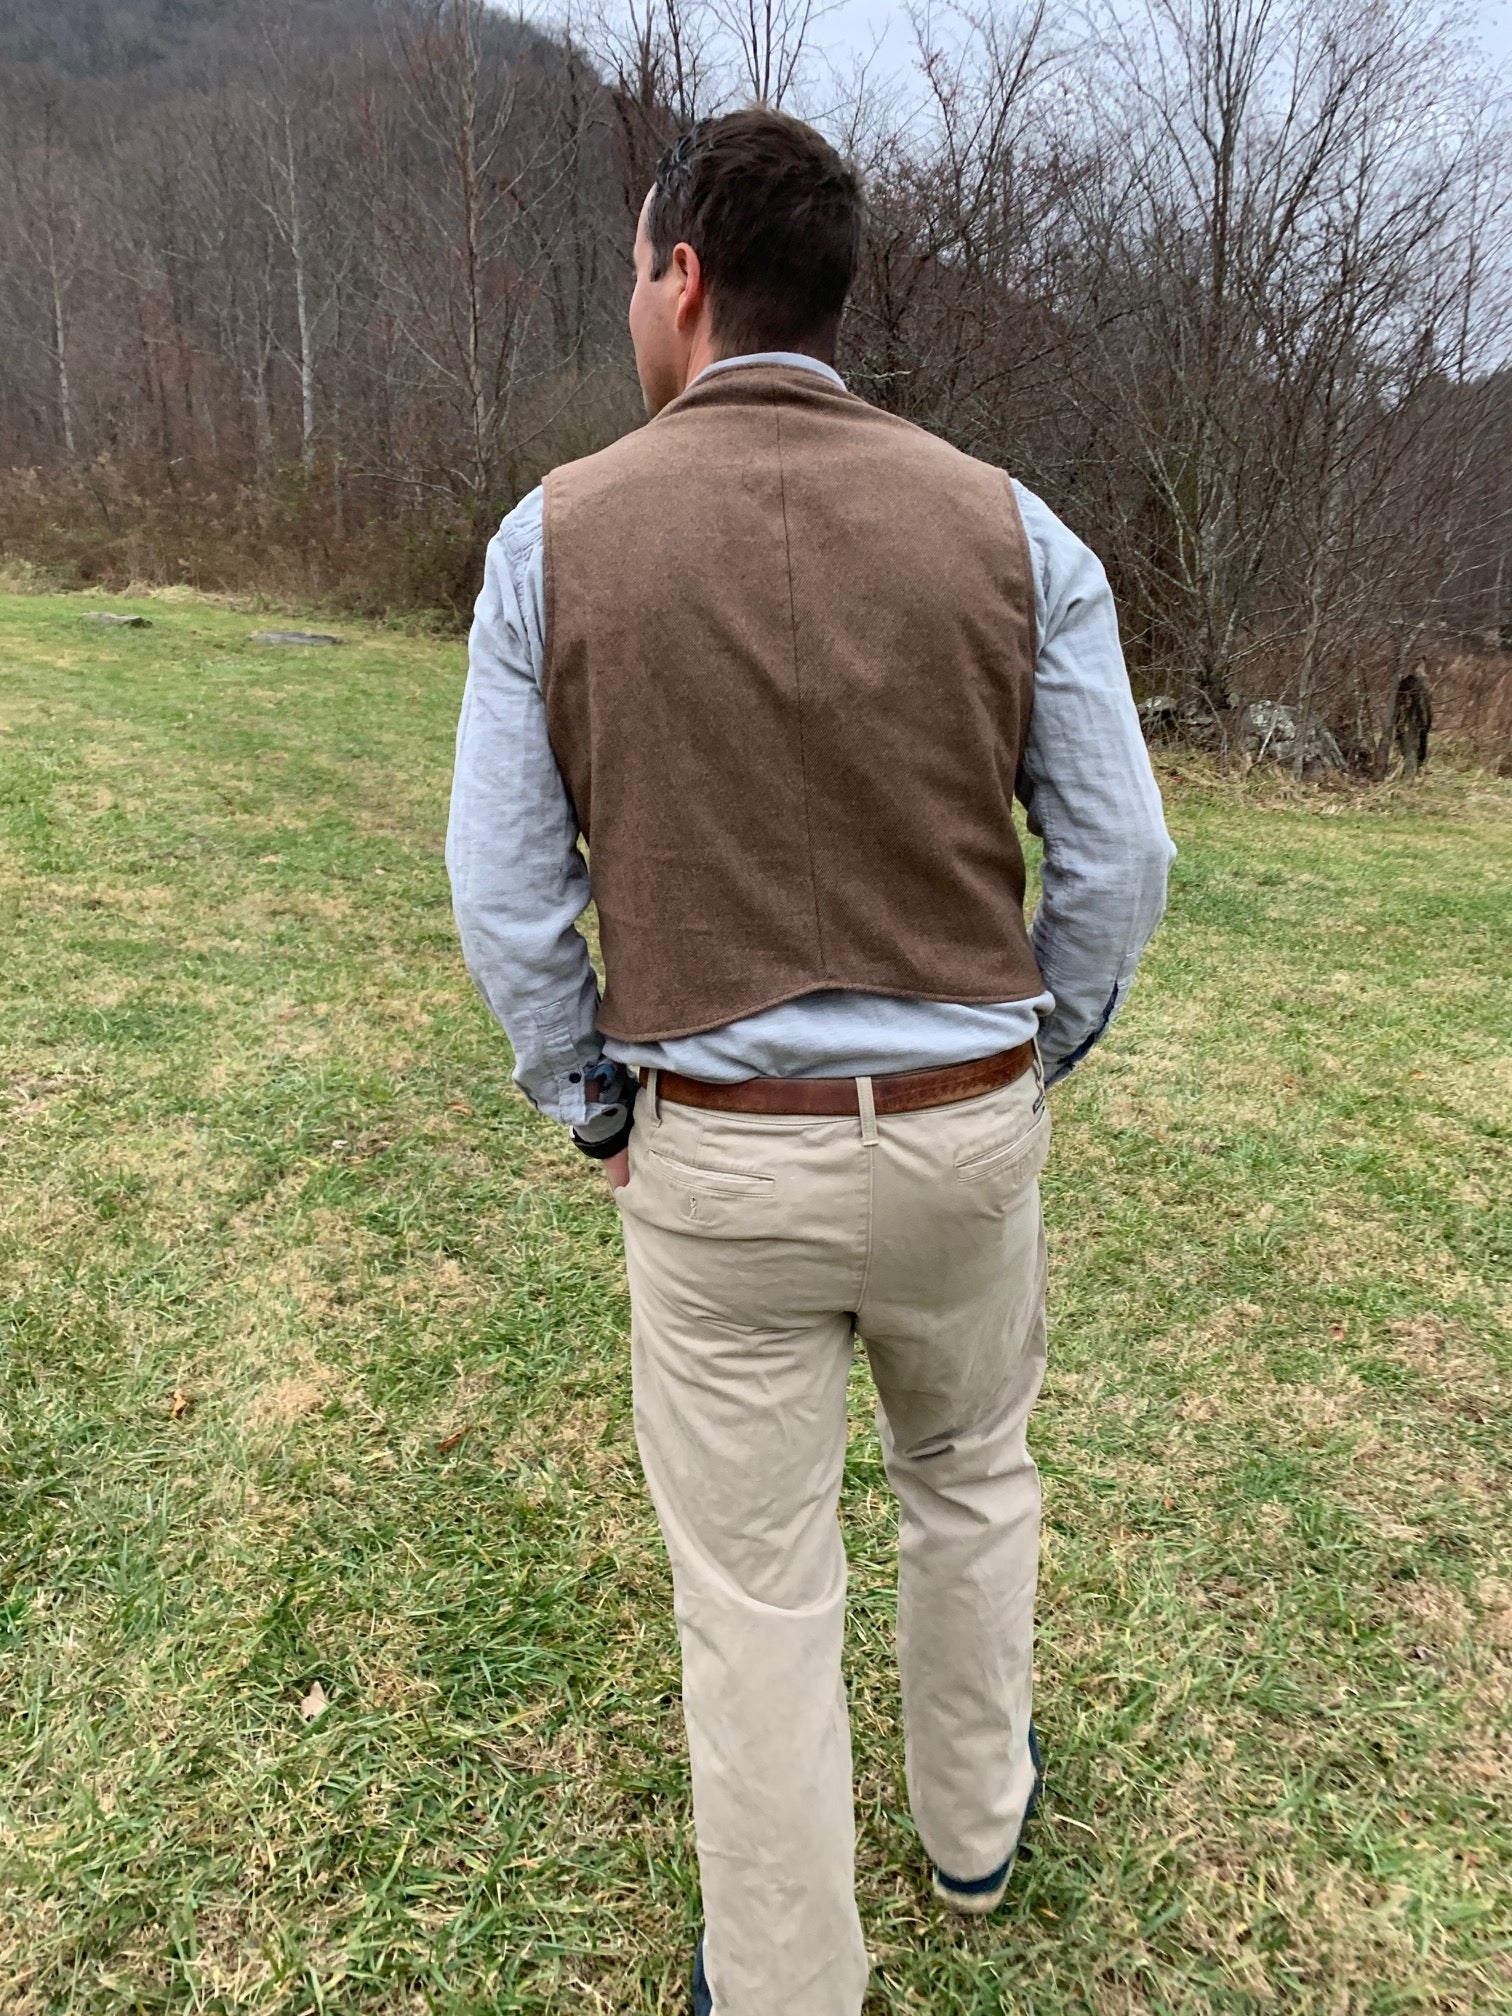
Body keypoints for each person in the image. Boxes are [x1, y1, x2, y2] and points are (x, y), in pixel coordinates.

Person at [447, 107, 1174, 2016]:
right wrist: (1035, 1054)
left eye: (633, 270)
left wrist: (583, 1097)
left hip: (718, 1158)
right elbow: (1122, 859)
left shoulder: (554, 539)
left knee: (757, 1585)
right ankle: (972, 1833)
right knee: (971, 1475)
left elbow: (508, 899)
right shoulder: (1016, 529)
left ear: (681, 278)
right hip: (961, 1136)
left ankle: (782, 1980)